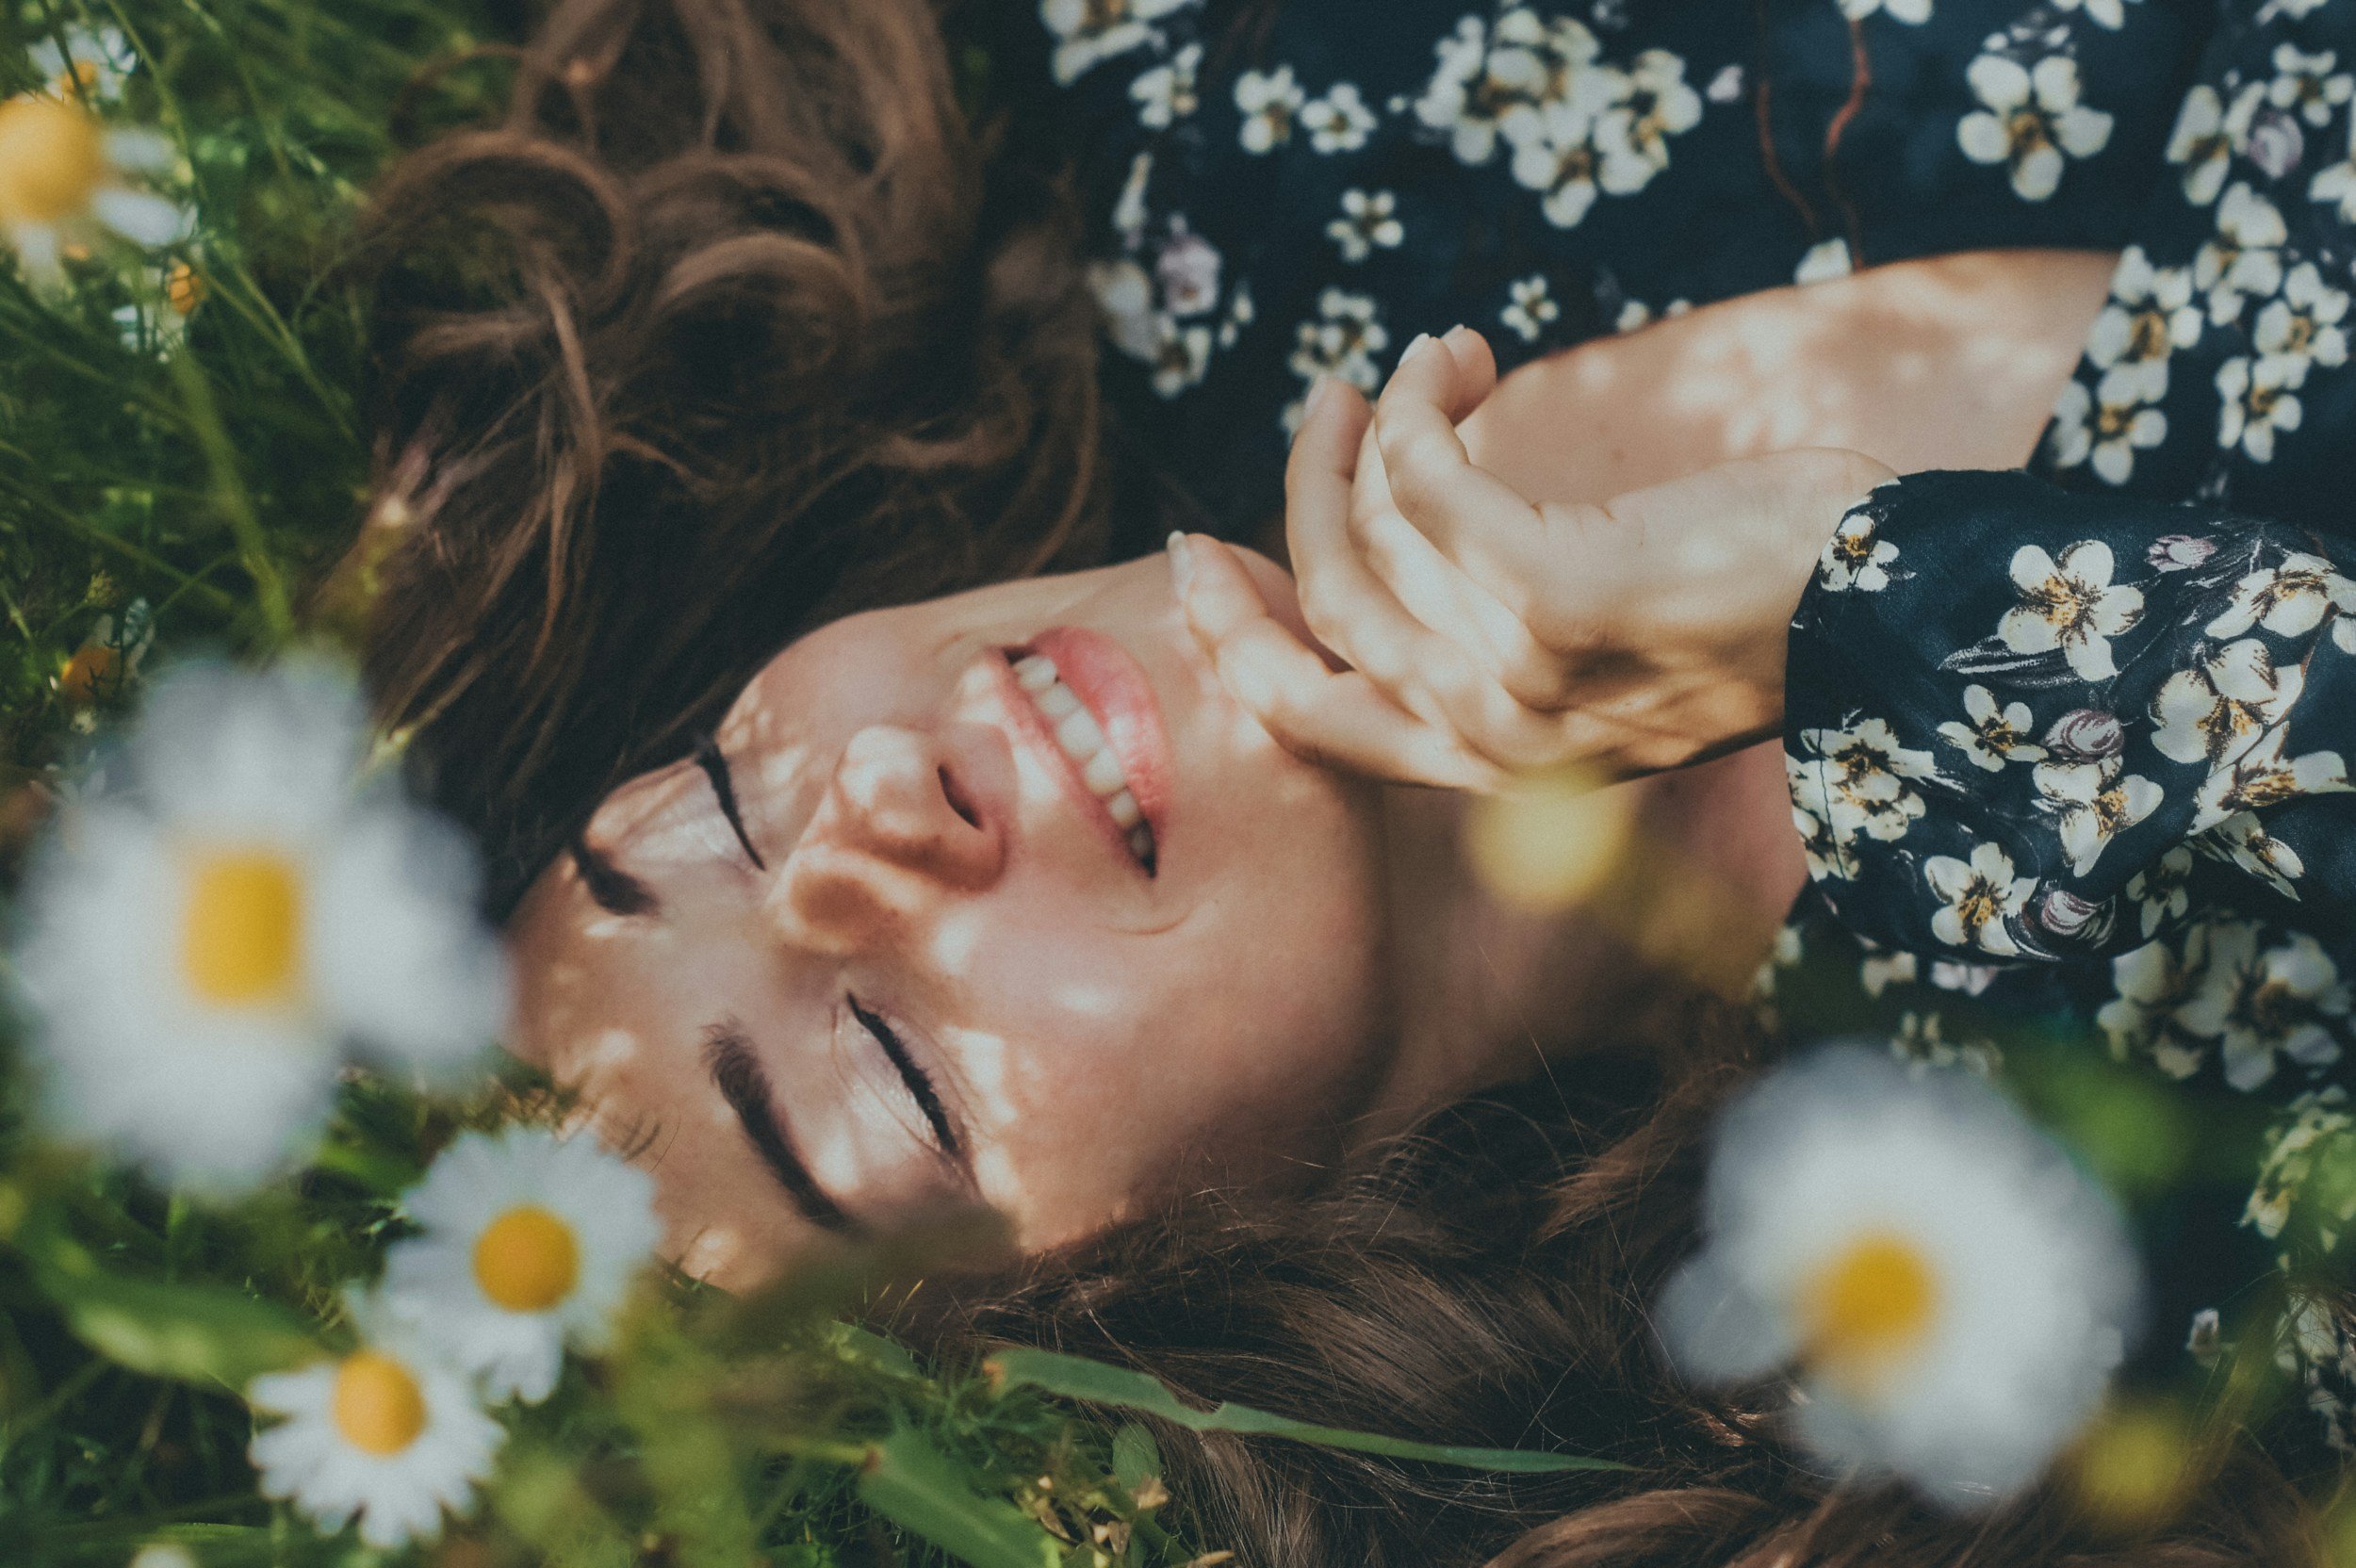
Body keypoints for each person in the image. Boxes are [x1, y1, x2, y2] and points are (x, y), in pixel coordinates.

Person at [350, 0, 2356, 1557]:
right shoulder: (2075, 1271)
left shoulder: (1218, 142)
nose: (876, 791)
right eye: (884, 1059)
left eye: (721, 794)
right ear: (1153, 1321)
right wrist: (1883, 615)